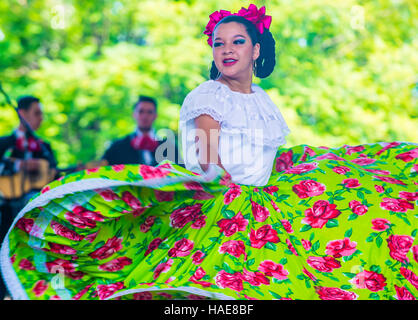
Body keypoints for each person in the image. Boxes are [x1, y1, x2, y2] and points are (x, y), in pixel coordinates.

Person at [1, 4, 417, 301]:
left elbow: (268, 155)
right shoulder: (208, 95)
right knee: (210, 293)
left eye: (238, 41)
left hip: (268, 198)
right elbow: (207, 159)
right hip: (223, 206)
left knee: (372, 214)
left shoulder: (264, 99)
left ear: (256, 50)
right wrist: (221, 186)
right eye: (219, 44)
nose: (227, 49)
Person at [0, 95, 57, 299]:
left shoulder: (44, 148)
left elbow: (54, 176)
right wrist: (19, 165)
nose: (41, 118)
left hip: (33, 218)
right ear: (21, 114)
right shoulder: (4, 143)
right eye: (36, 113)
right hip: (4, 212)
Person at [102, 95, 182, 167]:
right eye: (141, 111)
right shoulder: (118, 146)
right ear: (134, 114)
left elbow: (181, 173)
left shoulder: (169, 147)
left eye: (149, 112)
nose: (145, 116)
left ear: (155, 116)